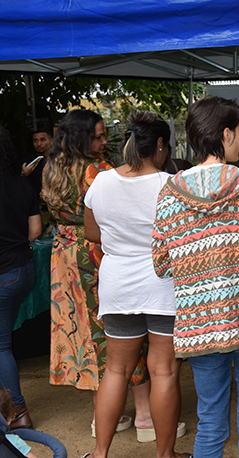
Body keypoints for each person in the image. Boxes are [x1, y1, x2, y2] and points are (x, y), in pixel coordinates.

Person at [152, 96, 239, 458]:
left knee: (209, 422)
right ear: (225, 134)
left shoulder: (169, 193)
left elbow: (161, 263)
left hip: (199, 323)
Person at [83, 111, 187, 458]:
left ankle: (100, 453)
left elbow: (92, 233)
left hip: (118, 286)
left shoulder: (101, 182)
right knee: (164, 371)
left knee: (116, 370)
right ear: (159, 144)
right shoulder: (171, 185)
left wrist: (123, 241)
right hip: (162, 286)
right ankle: (164, 454)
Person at [42, 109, 147, 434]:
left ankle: (102, 417)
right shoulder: (98, 171)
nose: (104, 142)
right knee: (121, 330)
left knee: (84, 336)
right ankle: (145, 415)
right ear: (81, 138)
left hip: (63, 258)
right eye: (98, 137)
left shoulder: (51, 167)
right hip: (95, 254)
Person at [0, 125, 42, 430]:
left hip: (3, 274)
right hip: (23, 271)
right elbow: (35, 231)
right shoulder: (21, 184)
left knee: (1, 347)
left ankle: (17, 411)